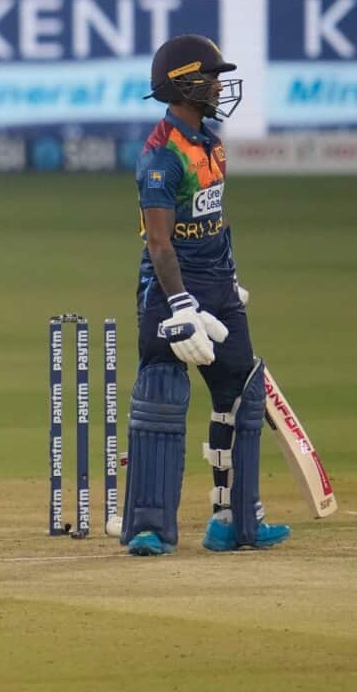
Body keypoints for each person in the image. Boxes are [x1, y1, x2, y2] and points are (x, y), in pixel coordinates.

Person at [122, 34, 291, 555]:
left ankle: (233, 521)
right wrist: (180, 306)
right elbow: (158, 241)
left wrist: (227, 280)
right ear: (187, 83)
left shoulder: (211, 143)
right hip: (172, 294)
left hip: (218, 288)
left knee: (241, 397)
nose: (220, 85)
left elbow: (215, 222)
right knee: (162, 397)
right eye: (213, 76)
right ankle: (151, 527)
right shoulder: (161, 155)